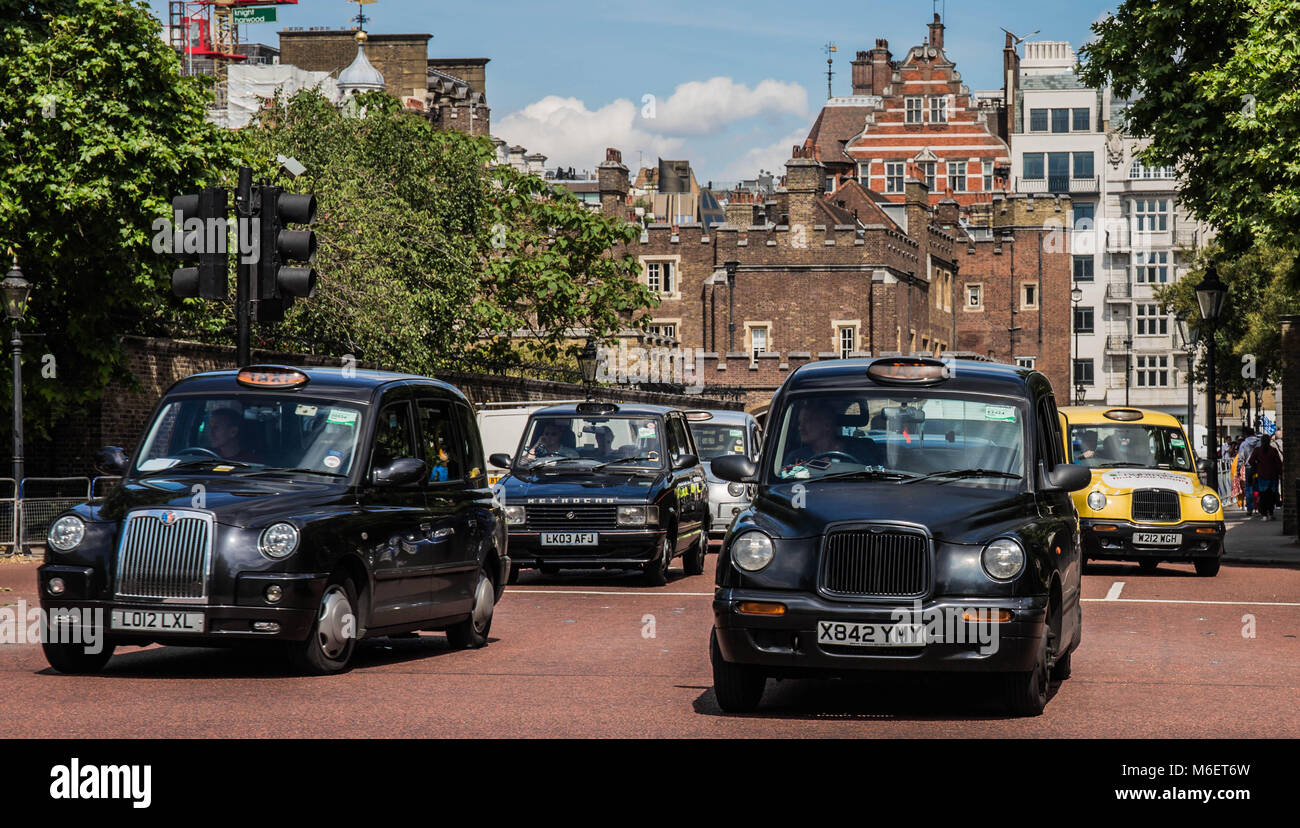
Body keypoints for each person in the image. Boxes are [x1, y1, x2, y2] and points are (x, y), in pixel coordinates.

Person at [783, 405, 851, 469]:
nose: (800, 427)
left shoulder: (856, 453)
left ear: (827, 425)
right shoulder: (795, 458)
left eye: (807, 421)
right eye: (800, 422)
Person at [1248, 434, 1283, 520]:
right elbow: (1278, 463)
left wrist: (1257, 466)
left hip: (1262, 476)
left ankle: (1264, 514)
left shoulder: (1257, 450)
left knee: (1263, 495)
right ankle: (1270, 513)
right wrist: (1280, 473)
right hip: (1272, 476)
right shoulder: (1273, 450)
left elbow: (1250, 461)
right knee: (1271, 495)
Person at [1236, 427, 1261, 514]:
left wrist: (1238, 470)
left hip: (1249, 467)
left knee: (1249, 487)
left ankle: (1250, 508)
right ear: (1254, 433)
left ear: (1246, 434)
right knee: (1258, 486)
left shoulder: (1244, 444)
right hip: (1258, 467)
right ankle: (1258, 507)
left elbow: (1240, 458)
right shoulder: (1259, 442)